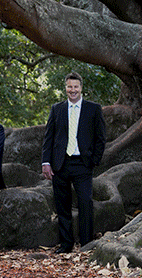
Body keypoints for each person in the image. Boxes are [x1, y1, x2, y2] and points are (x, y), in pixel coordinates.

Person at [40, 73, 109, 252]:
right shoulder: (57, 109)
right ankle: (66, 244)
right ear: (65, 88)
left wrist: (94, 161)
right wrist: (46, 162)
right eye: (69, 87)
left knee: (86, 203)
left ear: (81, 88)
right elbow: (49, 138)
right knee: (62, 206)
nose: (73, 90)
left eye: (76, 87)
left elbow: (101, 138)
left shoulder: (93, 109)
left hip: (83, 164)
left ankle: (86, 243)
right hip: (60, 163)